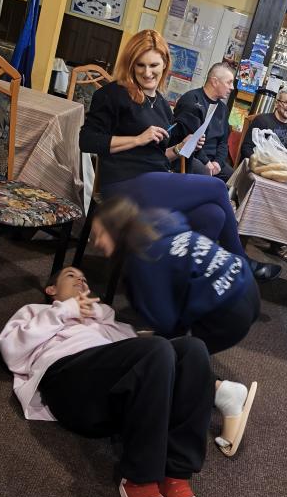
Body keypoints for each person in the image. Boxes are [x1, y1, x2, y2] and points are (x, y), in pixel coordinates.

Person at [0, 266, 215, 497]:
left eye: (84, 278)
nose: (80, 279)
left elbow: (148, 357)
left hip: (115, 397)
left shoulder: (103, 320)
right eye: (70, 276)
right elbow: (11, 351)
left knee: (194, 349)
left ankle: (176, 475)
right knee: (157, 349)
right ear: (51, 290)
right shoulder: (35, 312)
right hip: (69, 384)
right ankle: (140, 479)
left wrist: (101, 316)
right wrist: (66, 310)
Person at [91, 196, 259, 457]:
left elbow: (165, 320)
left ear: (116, 230)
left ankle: (223, 393)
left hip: (227, 313)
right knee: (175, 349)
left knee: (170, 358)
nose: (95, 242)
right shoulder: (159, 224)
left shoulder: (142, 261)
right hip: (245, 285)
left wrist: (148, 343)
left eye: (99, 234)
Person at [79, 29, 245, 258]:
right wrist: (137, 138)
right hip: (122, 184)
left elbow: (156, 156)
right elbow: (87, 141)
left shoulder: (162, 105)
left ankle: (176, 274)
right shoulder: (113, 94)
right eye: (140, 65)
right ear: (130, 64)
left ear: (165, 64)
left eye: (154, 65)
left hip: (152, 180)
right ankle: (241, 263)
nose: (147, 73)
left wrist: (179, 148)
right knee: (217, 187)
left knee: (213, 215)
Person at [240, 88, 287, 267]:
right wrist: (263, 165)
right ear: (277, 103)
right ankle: (242, 239)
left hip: (278, 175)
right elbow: (247, 149)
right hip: (259, 170)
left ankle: (277, 243)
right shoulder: (262, 120)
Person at [173, 63, 235, 181]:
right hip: (189, 157)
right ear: (215, 82)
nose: (232, 87)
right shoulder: (191, 100)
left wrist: (218, 162)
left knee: (236, 180)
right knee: (204, 174)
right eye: (229, 82)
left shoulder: (223, 109)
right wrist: (207, 162)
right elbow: (189, 141)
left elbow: (223, 142)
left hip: (213, 161)